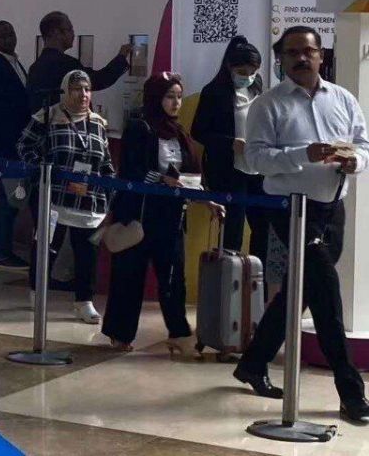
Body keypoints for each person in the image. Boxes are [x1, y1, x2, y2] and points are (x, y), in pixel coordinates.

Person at [233, 26, 369, 424]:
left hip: (333, 207)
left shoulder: (343, 98)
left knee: (302, 290)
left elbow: (363, 144)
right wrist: (303, 154)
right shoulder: (267, 105)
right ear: (281, 59)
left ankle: (253, 363)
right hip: (290, 208)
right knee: (327, 296)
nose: (301, 58)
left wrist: (355, 161)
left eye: (307, 51)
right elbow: (255, 160)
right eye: (291, 52)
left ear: (321, 55)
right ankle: (351, 392)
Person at [102, 73, 219, 352]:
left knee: (173, 277)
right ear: (156, 98)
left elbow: (189, 176)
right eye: (169, 96)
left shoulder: (179, 132)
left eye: (179, 96)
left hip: (171, 216)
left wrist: (206, 199)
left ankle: (178, 332)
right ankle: (120, 333)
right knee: (130, 275)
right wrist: (162, 179)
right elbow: (131, 170)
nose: (176, 102)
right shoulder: (139, 127)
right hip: (139, 213)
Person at [18, 70, 115, 323]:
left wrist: (110, 188)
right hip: (54, 198)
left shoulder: (97, 123)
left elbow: (105, 161)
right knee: (46, 247)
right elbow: (24, 146)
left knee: (87, 255)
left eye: (87, 89)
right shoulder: (48, 117)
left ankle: (84, 301)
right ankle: (37, 290)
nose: (83, 94)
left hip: (89, 199)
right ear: (65, 91)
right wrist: (42, 169)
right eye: (76, 89)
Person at [191, 36, 267, 257]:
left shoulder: (258, 88)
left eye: (252, 72)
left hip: (258, 168)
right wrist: (230, 143)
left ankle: (256, 271)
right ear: (229, 67)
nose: (248, 77)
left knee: (262, 225)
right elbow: (198, 131)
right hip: (229, 169)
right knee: (233, 227)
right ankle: (228, 272)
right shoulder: (214, 92)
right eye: (242, 72)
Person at [0, 20, 31, 268]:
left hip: (17, 141)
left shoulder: (15, 62)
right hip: (7, 143)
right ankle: (1, 249)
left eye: (11, 33)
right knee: (9, 197)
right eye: (2, 35)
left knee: (8, 195)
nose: (9, 38)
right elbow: (1, 109)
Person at [27, 11, 130, 113]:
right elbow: (100, 80)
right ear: (56, 33)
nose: (73, 34)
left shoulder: (35, 68)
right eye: (70, 29)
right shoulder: (65, 64)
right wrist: (121, 57)